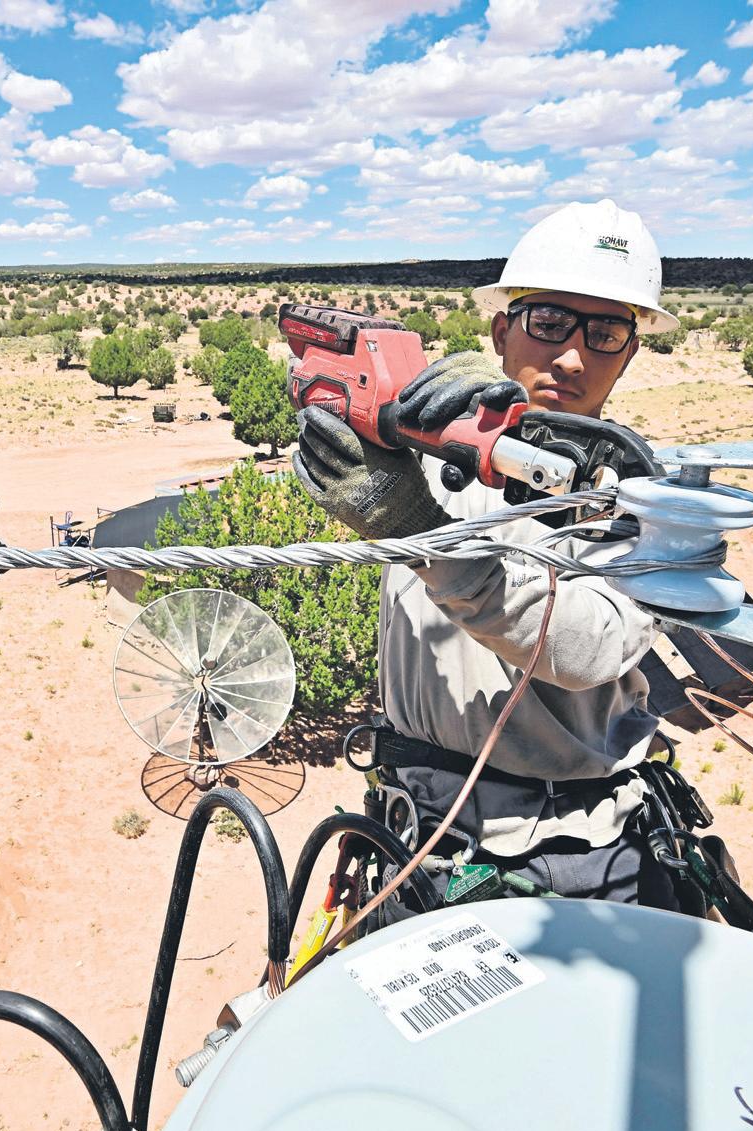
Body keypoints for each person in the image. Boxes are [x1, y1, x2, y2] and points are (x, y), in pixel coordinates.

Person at [295, 199, 725, 916]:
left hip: (566, 855)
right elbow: (341, 424)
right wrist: (392, 413)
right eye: (549, 323)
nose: (572, 357)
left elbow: (588, 648)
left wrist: (419, 530)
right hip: (417, 835)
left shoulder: (641, 499)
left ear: (630, 353)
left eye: (606, 333)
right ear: (501, 331)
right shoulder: (434, 456)